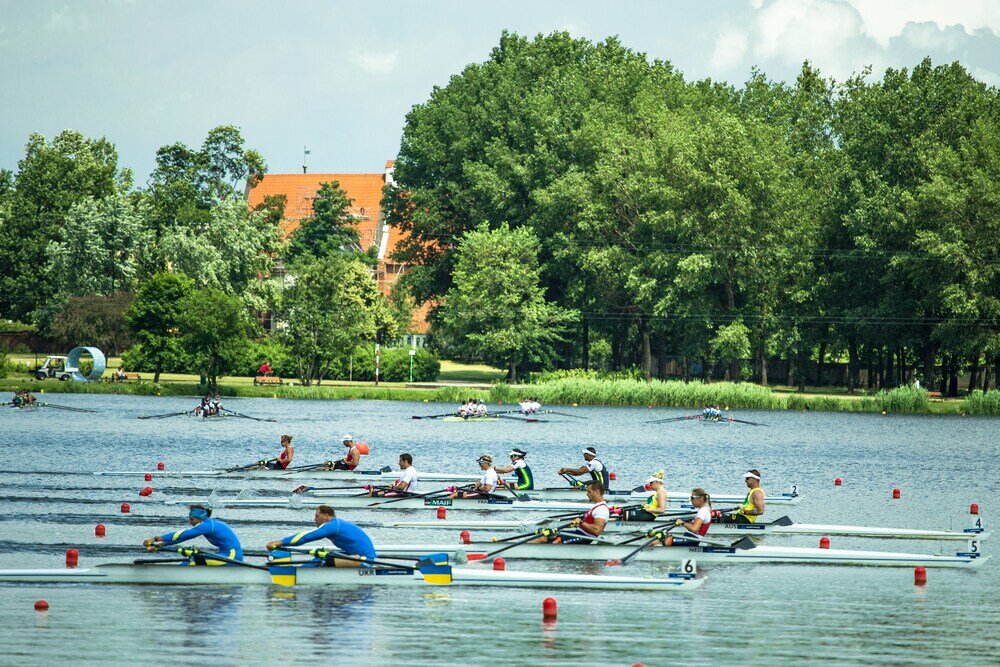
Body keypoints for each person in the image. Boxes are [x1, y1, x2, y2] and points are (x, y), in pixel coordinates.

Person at [266, 505, 377, 568]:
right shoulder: (336, 524)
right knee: (321, 555)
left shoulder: (333, 525)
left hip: (365, 560)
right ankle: (300, 571)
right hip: (355, 556)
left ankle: (299, 574)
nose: (315, 519)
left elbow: (307, 537)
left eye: (317, 516)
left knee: (323, 559)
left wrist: (281, 542)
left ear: (327, 515)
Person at [143, 505, 243, 565]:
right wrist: (158, 545)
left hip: (232, 556)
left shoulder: (207, 526)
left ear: (200, 518)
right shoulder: (208, 524)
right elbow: (181, 539)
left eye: (192, 519)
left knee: (191, 562)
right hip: (225, 554)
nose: (190, 522)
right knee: (194, 558)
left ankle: (175, 577)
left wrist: (155, 539)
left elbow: (182, 535)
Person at [533, 480, 609, 545]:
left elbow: (597, 530)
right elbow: (588, 524)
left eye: (589, 492)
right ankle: (523, 549)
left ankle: (527, 550)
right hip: (578, 534)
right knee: (544, 537)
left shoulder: (601, 509)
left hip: (584, 538)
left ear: (597, 492)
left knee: (555, 541)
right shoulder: (596, 506)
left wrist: (581, 522)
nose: (587, 494)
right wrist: (576, 525)